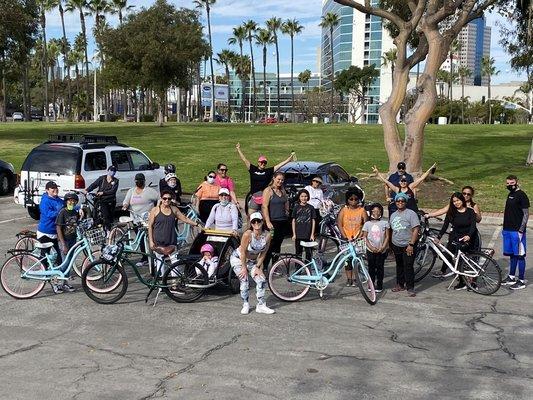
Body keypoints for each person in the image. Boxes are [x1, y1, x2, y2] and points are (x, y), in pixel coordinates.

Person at [230, 212, 274, 315]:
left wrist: (258, 266)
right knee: (244, 280)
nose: (256, 223)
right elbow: (243, 252)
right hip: (238, 259)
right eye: (253, 221)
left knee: (261, 279)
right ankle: (245, 304)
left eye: (258, 221)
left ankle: (261, 305)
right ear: (251, 223)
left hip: (253, 261)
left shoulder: (267, 235)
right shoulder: (247, 234)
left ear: (262, 222)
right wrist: (244, 268)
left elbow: (264, 252)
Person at [148, 190, 201, 276]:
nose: (167, 200)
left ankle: (175, 283)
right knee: (160, 262)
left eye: (169, 199)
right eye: (164, 198)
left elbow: (185, 219)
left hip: (171, 240)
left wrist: (197, 224)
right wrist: (151, 241)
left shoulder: (174, 209)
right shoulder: (155, 210)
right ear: (161, 199)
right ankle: (161, 284)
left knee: (175, 262)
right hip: (158, 241)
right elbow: (150, 226)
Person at [432, 192, 477, 289]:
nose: (456, 203)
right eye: (454, 201)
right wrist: (438, 237)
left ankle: (472, 280)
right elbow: (445, 226)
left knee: (465, 260)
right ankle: (461, 281)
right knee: (451, 257)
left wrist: (469, 236)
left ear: (462, 200)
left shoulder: (470, 211)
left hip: (468, 237)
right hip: (455, 237)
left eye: (458, 200)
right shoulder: (451, 213)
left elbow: (473, 226)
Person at [236, 142, 295, 214]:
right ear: (258, 162)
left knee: (265, 216)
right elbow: (244, 160)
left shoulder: (268, 171)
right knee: (250, 216)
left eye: (264, 163)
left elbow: (279, 165)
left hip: (265, 197)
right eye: (261, 162)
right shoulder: (253, 169)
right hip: (254, 196)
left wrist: (288, 160)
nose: (263, 164)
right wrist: (238, 149)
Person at [123, 173, 160, 267]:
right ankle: (144, 258)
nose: (138, 182)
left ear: (144, 181)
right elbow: (126, 201)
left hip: (147, 220)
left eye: (140, 181)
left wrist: (157, 208)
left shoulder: (149, 191)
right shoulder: (131, 191)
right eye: (137, 181)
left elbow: (159, 198)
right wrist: (125, 206)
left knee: (152, 238)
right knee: (141, 240)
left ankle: (156, 257)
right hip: (136, 220)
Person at [389, 192, 420, 297]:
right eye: (398, 201)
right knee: (399, 265)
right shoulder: (393, 215)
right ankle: (400, 284)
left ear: (405, 202)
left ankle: (410, 287)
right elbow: (392, 230)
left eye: (402, 201)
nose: (400, 202)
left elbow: (416, 229)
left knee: (408, 266)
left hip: (408, 244)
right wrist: (390, 245)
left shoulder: (411, 213)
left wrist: (411, 244)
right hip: (396, 244)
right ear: (395, 202)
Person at [501, 175, 529, 290]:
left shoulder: (522, 195)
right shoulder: (510, 194)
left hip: (517, 231)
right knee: (512, 254)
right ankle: (511, 277)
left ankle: (521, 280)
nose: (509, 185)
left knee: (520, 255)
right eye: (507, 183)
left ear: (517, 182)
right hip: (507, 229)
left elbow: (526, 214)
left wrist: (521, 229)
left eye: (511, 183)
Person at [337, 188, 367, 286]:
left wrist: (361, 236)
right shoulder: (344, 210)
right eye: (351, 199)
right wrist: (344, 236)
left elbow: (366, 225)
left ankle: (355, 278)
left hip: (358, 239)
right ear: (347, 200)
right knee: (347, 260)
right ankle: (349, 279)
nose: (353, 201)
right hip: (346, 239)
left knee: (356, 260)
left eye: (356, 199)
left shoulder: (362, 211)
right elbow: (339, 224)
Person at [262, 172, 290, 271]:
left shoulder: (283, 190)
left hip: (282, 221)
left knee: (278, 245)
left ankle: (275, 266)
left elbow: (286, 201)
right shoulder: (268, 190)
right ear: (274, 178)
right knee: (270, 245)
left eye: (282, 180)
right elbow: (264, 206)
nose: (280, 181)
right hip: (272, 222)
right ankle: (264, 266)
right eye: (278, 179)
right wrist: (268, 221)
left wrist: (287, 211)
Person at [55, 192, 81, 293]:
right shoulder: (62, 212)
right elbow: (58, 228)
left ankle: (65, 283)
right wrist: (63, 244)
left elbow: (77, 223)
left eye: (73, 201)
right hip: (64, 240)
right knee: (64, 263)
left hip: (73, 239)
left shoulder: (75, 212)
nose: (71, 202)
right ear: (66, 202)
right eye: (69, 201)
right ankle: (56, 282)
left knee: (69, 262)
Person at [362, 203, 390, 293]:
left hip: (381, 250)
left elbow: (387, 236)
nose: (376, 213)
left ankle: (379, 284)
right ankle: (371, 283)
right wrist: (370, 247)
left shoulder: (385, 223)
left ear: (381, 212)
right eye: (374, 211)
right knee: (371, 267)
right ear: (371, 212)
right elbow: (364, 237)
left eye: (378, 211)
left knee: (380, 267)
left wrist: (383, 247)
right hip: (370, 249)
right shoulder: (367, 224)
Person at [291, 189, 316, 261]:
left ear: (308, 197)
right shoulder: (296, 207)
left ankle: (308, 268)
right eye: (302, 196)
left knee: (309, 253)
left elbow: (313, 221)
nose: (304, 198)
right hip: (298, 234)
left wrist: (312, 234)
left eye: (305, 196)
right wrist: (294, 234)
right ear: (299, 197)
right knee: (298, 253)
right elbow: (293, 221)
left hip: (308, 234)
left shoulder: (311, 208)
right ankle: (298, 269)